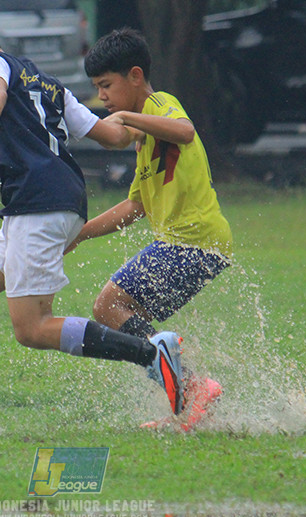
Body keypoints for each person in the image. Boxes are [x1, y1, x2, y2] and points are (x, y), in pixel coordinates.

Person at [0, 0, 186, 435]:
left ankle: (152, 353)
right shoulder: (43, 81)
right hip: (45, 201)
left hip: (40, 204)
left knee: (32, 327)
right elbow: (114, 136)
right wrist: (145, 124)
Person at [67, 27, 234, 432]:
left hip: (193, 242)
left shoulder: (161, 105)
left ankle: (193, 387)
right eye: (97, 88)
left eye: (107, 86)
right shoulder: (145, 142)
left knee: (108, 305)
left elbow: (186, 131)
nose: (102, 97)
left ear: (136, 76)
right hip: (194, 245)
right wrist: (81, 233)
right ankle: (190, 398)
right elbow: (135, 207)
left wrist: (125, 118)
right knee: (126, 316)